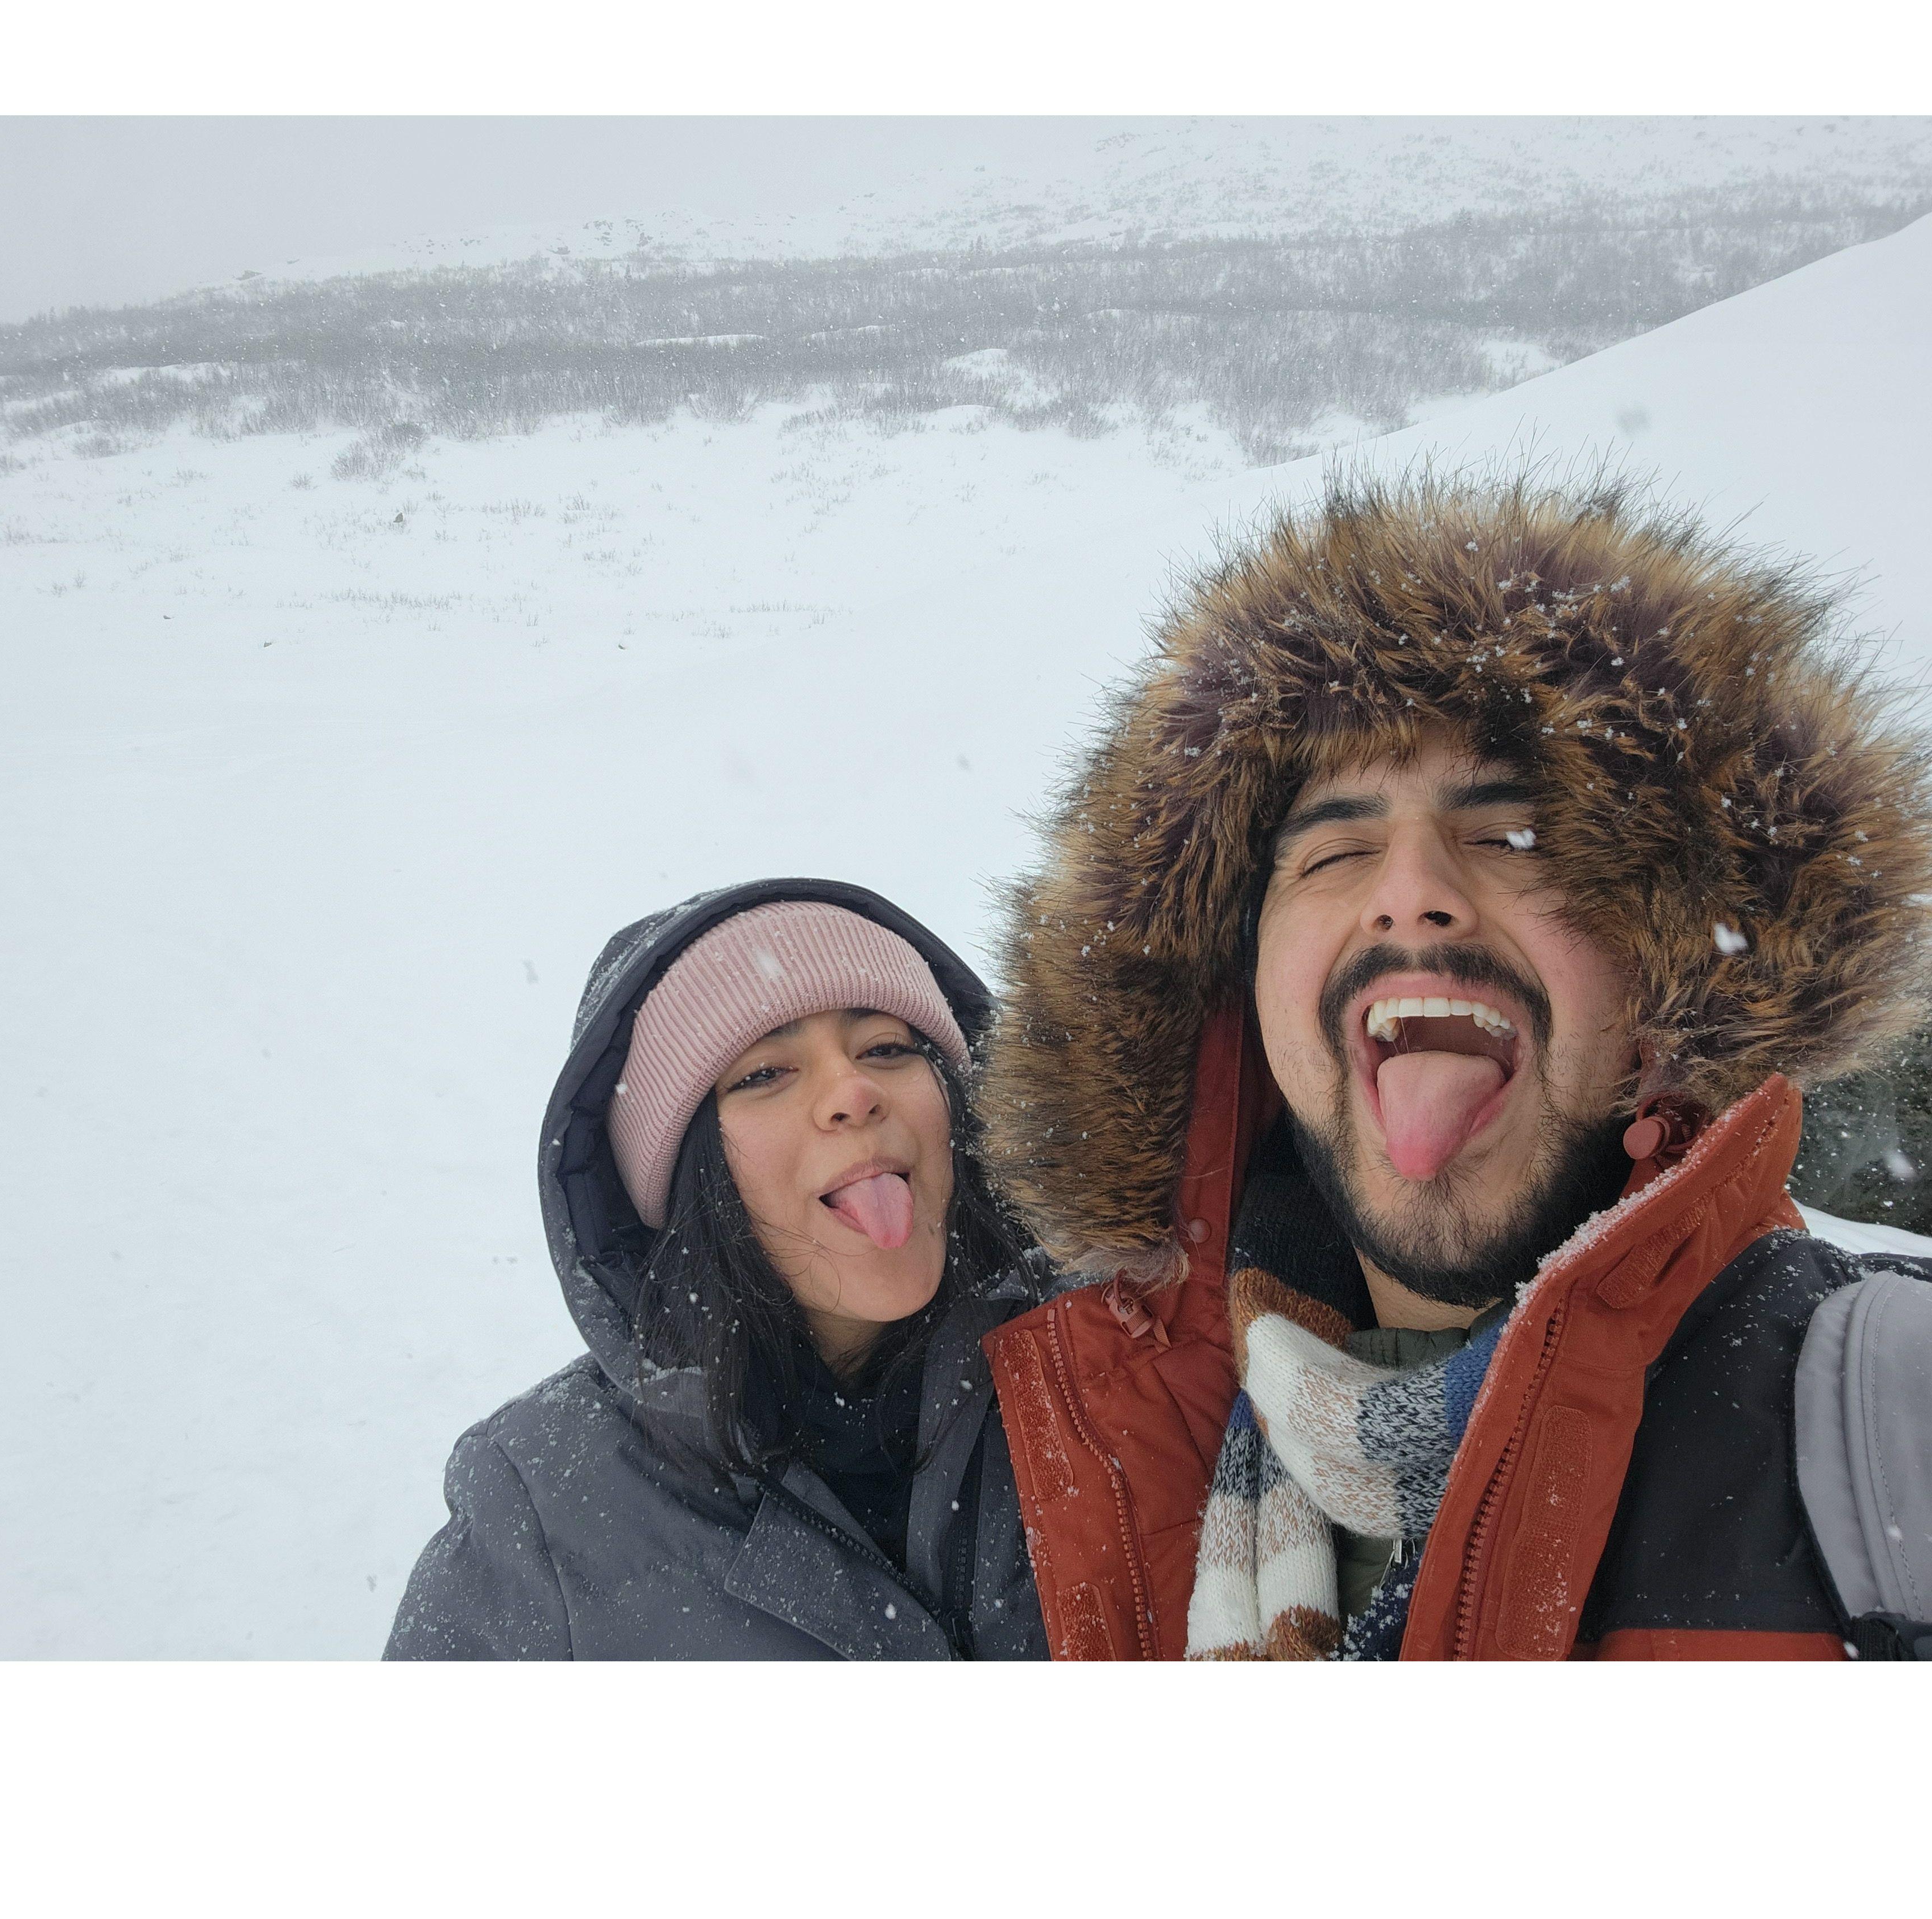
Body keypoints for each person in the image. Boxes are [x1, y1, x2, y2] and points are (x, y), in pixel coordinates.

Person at [975, 474, 1932, 1661]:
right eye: (1335, 851)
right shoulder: (1100, 1462)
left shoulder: (1882, 1418)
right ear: (1245, 1003)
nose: (1412, 893)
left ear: (1660, 978)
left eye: (1509, 838)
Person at [386, 879, 1050, 1659]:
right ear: (683, 1179)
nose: (853, 1091)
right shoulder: (540, 1508)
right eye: (764, 1073)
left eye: (886, 1048)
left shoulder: (1124, 1362)